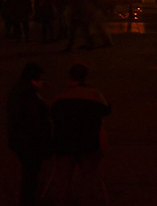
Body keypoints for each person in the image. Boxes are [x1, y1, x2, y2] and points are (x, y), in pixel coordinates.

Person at [51, 63, 111, 205]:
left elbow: (51, 113)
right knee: (87, 182)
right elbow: (106, 110)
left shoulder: (60, 97)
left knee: (63, 182)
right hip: (89, 144)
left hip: (65, 144)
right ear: (86, 77)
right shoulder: (95, 95)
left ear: (70, 77)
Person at [7, 63, 53, 206]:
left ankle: (26, 199)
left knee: (28, 175)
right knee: (30, 176)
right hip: (31, 145)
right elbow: (38, 125)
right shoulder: (32, 100)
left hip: (20, 142)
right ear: (33, 81)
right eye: (41, 80)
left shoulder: (16, 93)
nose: (43, 83)